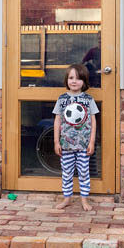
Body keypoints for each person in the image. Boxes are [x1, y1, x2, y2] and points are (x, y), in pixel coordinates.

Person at [53, 64, 97, 210]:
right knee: (67, 172)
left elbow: (93, 121)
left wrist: (91, 141)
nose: (74, 81)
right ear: (67, 80)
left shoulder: (88, 100)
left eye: (78, 78)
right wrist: (56, 141)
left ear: (84, 81)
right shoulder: (62, 99)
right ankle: (67, 199)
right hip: (66, 145)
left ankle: (84, 200)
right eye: (71, 78)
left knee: (84, 172)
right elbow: (57, 121)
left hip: (83, 145)